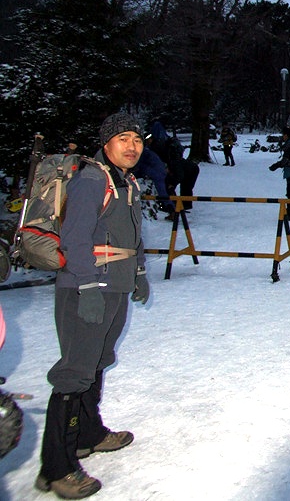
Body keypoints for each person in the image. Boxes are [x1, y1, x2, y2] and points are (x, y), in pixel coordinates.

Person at [35, 112, 150, 499]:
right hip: (88, 286)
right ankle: (56, 467)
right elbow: (74, 237)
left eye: (137, 138)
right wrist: (86, 286)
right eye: (123, 138)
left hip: (114, 286)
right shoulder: (90, 180)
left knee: (97, 361)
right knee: (73, 372)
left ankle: (88, 433)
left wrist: (139, 273)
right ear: (106, 144)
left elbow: (130, 233)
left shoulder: (126, 182)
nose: (132, 146)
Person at [147, 120, 199, 211]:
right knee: (176, 185)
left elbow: (179, 174)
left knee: (185, 187)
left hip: (191, 170)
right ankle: (178, 204)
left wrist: (172, 184)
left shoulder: (174, 161)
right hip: (185, 169)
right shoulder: (166, 151)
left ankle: (181, 206)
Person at [132, 147, 176, 219]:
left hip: (155, 173)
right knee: (164, 191)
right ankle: (172, 210)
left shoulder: (141, 153)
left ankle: (172, 210)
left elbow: (138, 165)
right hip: (159, 171)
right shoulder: (148, 152)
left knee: (162, 193)